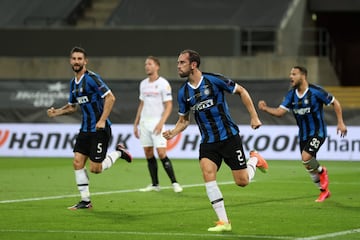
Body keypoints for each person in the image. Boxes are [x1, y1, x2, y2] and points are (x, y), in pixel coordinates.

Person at [162, 49, 268, 232]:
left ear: (193, 65)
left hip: (229, 137)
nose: (178, 66)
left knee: (242, 182)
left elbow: (241, 91)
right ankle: (224, 222)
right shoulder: (183, 92)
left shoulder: (213, 80)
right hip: (208, 142)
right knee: (207, 174)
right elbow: (184, 120)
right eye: (178, 63)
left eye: (182, 63)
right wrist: (173, 132)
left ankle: (255, 160)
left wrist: (254, 117)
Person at [47, 46, 132, 210]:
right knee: (77, 162)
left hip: (100, 130)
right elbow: (72, 107)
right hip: (85, 129)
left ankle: (120, 152)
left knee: (95, 169)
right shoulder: (73, 83)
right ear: (70, 61)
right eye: (74, 59)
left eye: (80, 59)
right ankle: (85, 201)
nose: (77, 61)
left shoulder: (92, 78)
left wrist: (102, 120)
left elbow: (110, 97)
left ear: (85, 61)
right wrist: (56, 112)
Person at [258, 66, 347, 202]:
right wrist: (265, 109)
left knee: (306, 157)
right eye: (290, 74)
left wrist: (340, 122)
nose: (290, 77)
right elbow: (280, 113)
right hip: (303, 135)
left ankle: (322, 171)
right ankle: (324, 191)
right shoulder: (291, 95)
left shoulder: (316, 91)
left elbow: (335, 102)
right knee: (308, 166)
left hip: (318, 132)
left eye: (294, 74)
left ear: (303, 76)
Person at [134, 56, 183, 193]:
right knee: (148, 153)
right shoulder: (143, 84)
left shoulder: (163, 84)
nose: (147, 66)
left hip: (157, 123)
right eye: (146, 64)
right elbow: (141, 104)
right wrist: (136, 123)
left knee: (161, 153)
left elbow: (169, 105)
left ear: (157, 66)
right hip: (144, 123)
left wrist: (161, 122)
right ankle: (155, 184)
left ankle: (174, 183)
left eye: (149, 64)